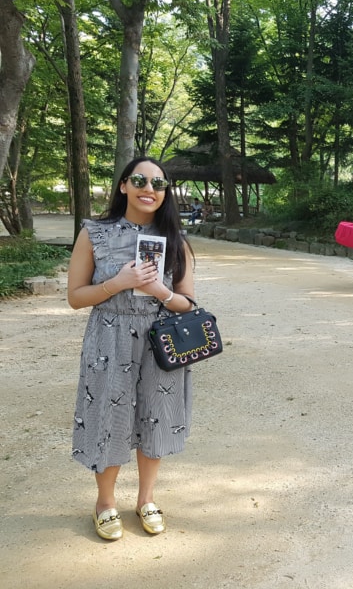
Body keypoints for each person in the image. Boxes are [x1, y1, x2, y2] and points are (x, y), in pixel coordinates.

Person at [67, 157, 196, 541]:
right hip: (110, 337)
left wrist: (161, 291)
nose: (149, 189)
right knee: (108, 415)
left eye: (159, 184)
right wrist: (118, 282)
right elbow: (75, 297)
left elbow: (189, 303)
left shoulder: (176, 240)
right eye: (140, 180)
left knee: (155, 415)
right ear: (123, 185)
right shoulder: (95, 233)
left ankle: (146, 498)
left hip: (162, 339)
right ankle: (105, 502)